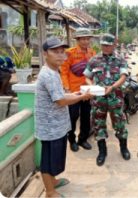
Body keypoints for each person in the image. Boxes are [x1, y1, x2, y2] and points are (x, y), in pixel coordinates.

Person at [35, 37, 93, 198]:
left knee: (55, 157)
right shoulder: (48, 74)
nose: (61, 56)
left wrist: (74, 93)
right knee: (48, 160)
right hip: (50, 127)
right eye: (55, 52)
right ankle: (50, 192)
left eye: (62, 52)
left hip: (56, 125)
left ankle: (52, 181)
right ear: (45, 53)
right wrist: (81, 97)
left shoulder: (54, 72)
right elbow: (60, 100)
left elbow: (60, 95)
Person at [84, 33, 131, 166]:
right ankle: (102, 151)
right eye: (103, 45)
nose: (105, 47)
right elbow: (87, 76)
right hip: (99, 99)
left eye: (108, 45)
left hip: (115, 98)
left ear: (114, 45)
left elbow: (123, 76)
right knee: (98, 125)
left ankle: (124, 148)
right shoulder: (94, 60)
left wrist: (112, 87)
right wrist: (91, 85)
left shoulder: (120, 59)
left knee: (120, 124)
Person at [61, 28, 96, 152]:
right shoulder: (69, 53)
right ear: (78, 40)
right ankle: (72, 140)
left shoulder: (92, 53)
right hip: (74, 91)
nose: (86, 41)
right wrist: (67, 88)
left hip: (87, 91)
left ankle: (83, 139)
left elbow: (93, 71)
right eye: (83, 39)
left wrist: (94, 86)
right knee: (73, 116)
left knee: (86, 116)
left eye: (87, 39)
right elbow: (64, 72)